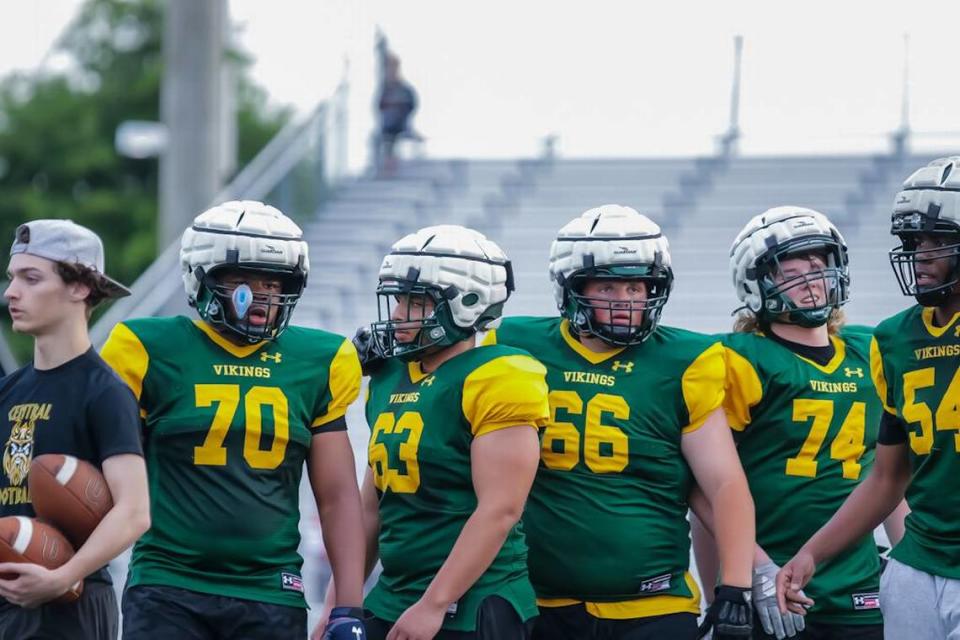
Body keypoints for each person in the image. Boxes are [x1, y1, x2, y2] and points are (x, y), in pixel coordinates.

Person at [484, 204, 756, 640]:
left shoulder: (685, 361)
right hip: (537, 599)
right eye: (609, 286)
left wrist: (736, 585)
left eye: (636, 287)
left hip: (653, 603)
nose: (627, 301)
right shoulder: (516, 344)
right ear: (569, 287)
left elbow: (724, 482)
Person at [100, 201, 367, 640]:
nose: (263, 295)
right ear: (201, 276)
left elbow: (337, 495)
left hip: (270, 588)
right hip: (168, 582)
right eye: (244, 280)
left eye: (273, 282)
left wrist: (348, 607)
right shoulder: (148, 347)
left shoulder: (319, 360)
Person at [692, 206, 907, 640]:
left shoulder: (872, 350)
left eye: (819, 262)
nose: (811, 276)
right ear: (757, 281)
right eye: (792, 266)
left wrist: (911, 562)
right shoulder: (737, 359)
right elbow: (705, 488)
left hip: (856, 583)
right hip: (767, 572)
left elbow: (888, 478)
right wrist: (737, 581)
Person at [776, 157, 960, 640]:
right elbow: (888, 476)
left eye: (937, 241)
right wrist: (813, 552)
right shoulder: (895, 339)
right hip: (919, 565)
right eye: (914, 242)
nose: (920, 255)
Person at [337, 224, 549, 640]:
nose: (398, 314)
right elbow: (371, 506)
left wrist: (435, 604)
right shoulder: (389, 377)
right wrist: (339, 603)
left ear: (467, 304)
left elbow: (499, 510)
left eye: (415, 302)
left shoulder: (499, 374)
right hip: (394, 595)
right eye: (398, 299)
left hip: (474, 601)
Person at [0, 219, 150, 639]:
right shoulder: (7, 391)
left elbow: (135, 511)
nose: (11, 292)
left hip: (73, 607)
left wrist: (62, 575)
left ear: (80, 287)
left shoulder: (105, 392)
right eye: (12, 278)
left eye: (31, 279)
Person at [376, 54, 418, 175]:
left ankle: (392, 166)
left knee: (391, 136)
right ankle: (388, 167)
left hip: (401, 124)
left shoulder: (404, 89)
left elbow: (411, 105)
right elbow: (380, 106)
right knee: (386, 138)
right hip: (388, 127)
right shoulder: (385, 89)